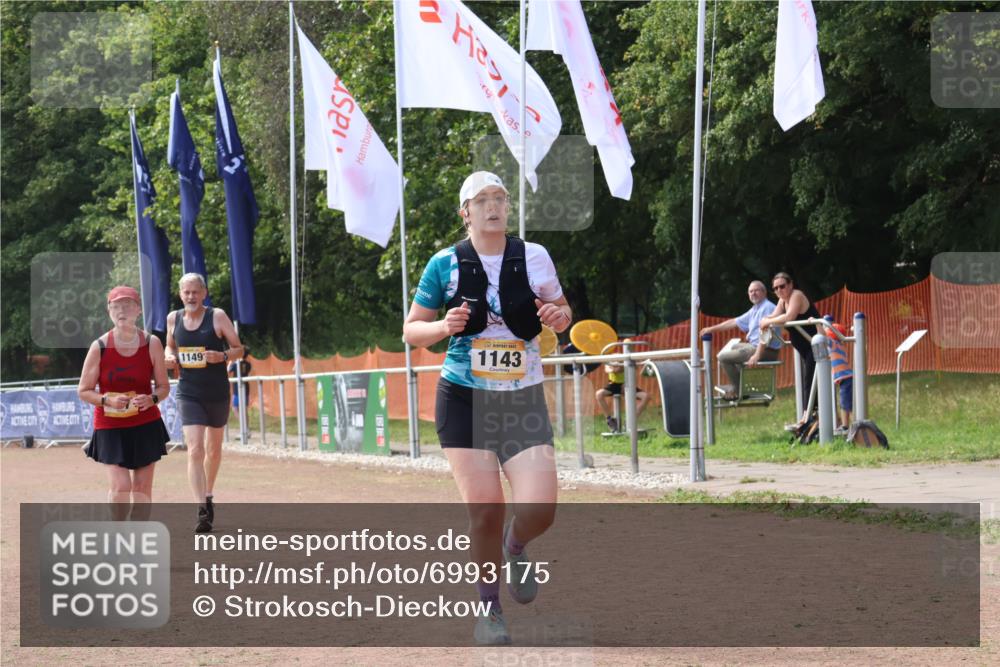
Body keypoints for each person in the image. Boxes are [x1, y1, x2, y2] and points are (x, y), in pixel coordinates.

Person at [403, 171, 572, 646]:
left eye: (500, 198)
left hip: (522, 398)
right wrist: (443, 328)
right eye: (483, 200)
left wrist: (560, 319)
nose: (494, 206)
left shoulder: (534, 256)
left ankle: (516, 547)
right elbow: (411, 329)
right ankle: (489, 610)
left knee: (541, 509)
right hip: (463, 398)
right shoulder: (444, 264)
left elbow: (562, 312)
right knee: (486, 508)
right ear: (466, 212)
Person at [78, 286, 171, 520]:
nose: (122, 311)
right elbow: (84, 391)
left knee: (141, 490)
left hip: (145, 424)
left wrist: (151, 399)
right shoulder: (99, 346)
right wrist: (106, 399)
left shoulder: (152, 344)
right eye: (116, 306)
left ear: (138, 310)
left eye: (128, 306)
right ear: (109, 311)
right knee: (120, 488)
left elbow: (163, 387)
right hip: (110, 426)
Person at [164, 273, 244, 533]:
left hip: (217, 391)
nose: (190, 296)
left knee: (214, 449)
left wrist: (221, 355)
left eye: (195, 292)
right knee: (195, 449)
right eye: (186, 292)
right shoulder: (173, 319)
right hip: (189, 392)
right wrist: (169, 357)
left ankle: (208, 494)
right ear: (180, 294)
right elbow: (169, 347)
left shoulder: (217, 317)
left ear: (204, 293)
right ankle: (201, 510)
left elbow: (239, 349)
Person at [699, 280, 782, 399]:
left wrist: (757, 355)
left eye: (756, 290)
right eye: (750, 291)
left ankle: (739, 391)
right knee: (734, 347)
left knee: (722, 358)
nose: (753, 293)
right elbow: (734, 322)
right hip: (756, 346)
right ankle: (741, 385)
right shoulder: (755, 308)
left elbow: (766, 334)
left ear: (764, 292)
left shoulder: (767, 308)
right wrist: (711, 329)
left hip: (765, 350)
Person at [759, 272, 820, 418]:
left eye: (782, 286)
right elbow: (773, 316)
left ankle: (807, 416)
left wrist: (767, 322)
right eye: (775, 288)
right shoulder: (782, 301)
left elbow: (789, 317)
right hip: (804, 348)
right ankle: (815, 416)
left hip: (816, 344)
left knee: (810, 380)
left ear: (791, 284)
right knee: (811, 380)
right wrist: (765, 320)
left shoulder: (796, 295)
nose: (779, 290)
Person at [595, 339, 649, 431]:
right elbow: (609, 369)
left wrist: (618, 366)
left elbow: (633, 368)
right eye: (628, 346)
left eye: (631, 347)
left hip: (627, 385)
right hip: (613, 385)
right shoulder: (612, 357)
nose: (629, 348)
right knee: (599, 394)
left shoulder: (631, 358)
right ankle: (610, 419)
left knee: (646, 396)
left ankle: (631, 420)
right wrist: (616, 367)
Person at [826, 320, 853, 432]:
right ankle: (851, 425)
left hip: (845, 378)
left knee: (845, 403)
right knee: (848, 404)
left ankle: (847, 426)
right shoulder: (840, 345)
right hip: (846, 378)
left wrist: (815, 323)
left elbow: (822, 336)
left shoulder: (833, 344)